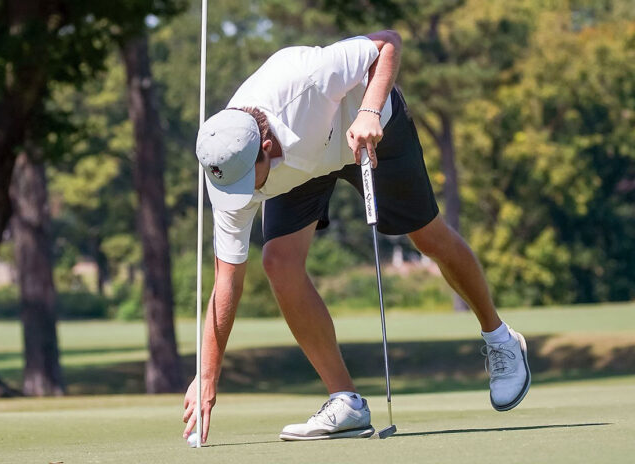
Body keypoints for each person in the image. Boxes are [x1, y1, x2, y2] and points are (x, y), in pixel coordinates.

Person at [182, 30, 531, 444]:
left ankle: (501, 339)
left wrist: (368, 110)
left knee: (427, 236)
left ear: (268, 147)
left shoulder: (307, 80)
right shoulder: (227, 172)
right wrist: (206, 374)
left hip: (369, 127)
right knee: (278, 262)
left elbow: (388, 43)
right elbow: (227, 281)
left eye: (247, 181)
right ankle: (345, 400)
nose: (242, 195)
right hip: (305, 166)